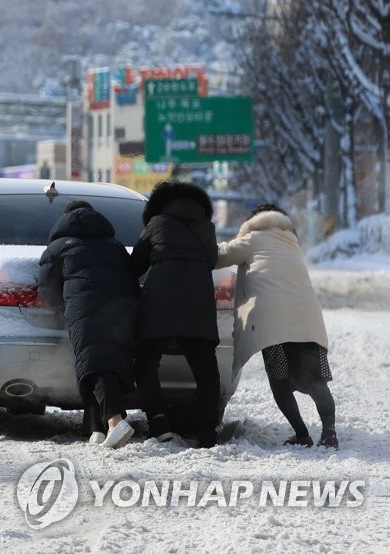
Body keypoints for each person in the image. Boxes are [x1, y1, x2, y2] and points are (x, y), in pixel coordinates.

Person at [216, 203, 337, 449]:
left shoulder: (253, 238)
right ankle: (329, 433)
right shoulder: (291, 242)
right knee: (316, 381)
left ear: (254, 222)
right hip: (307, 319)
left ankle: (302, 434)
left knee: (280, 381)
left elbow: (221, 255)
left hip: (273, 322)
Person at [39, 200, 140, 449]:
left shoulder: (57, 248)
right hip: (122, 310)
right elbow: (131, 276)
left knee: (94, 365)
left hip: (84, 310)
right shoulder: (115, 246)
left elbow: (47, 291)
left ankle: (116, 422)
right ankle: (97, 428)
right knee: (110, 363)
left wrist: (62, 305)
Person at [131, 180, 221, 448]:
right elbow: (213, 260)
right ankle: (207, 434)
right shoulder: (207, 228)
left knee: (145, 363)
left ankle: (159, 425)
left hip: (160, 305)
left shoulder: (156, 224)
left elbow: (135, 264)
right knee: (206, 371)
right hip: (198, 306)